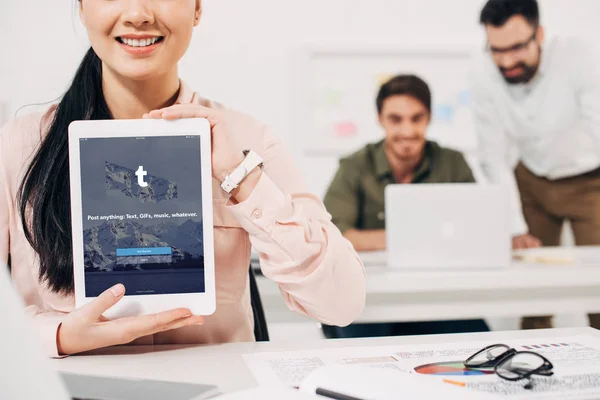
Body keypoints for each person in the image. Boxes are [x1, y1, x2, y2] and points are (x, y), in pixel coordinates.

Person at [0, 0, 366, 357]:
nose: (138, 15)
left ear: (197, 8)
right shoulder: (20, 146)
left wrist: (242, 179)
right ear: (81, 7)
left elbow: (341, 303)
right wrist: (58, 336)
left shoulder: (247, 139)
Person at [321, 75, 489, 338]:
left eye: (417, 118)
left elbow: (477, 228)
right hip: (368, 299)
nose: (408, 131)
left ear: (429, 117)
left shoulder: (453, 163)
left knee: (481, 343)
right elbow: (334, 234)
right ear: (380, 119)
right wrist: (422, 238)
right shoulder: (354, 166)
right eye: (396, 119)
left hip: (437, 298)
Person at [472, 0, 600, 330]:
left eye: (516, 47)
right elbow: (493, 155)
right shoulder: (484, 74)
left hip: (589, 181)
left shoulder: (579, 57)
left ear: (539, 34)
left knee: (597, 287)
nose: (507, 60)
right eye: (497, 49)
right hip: (532, 179)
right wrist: (514, 226)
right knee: (532, 291)